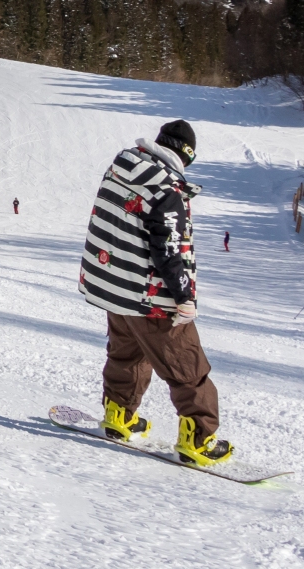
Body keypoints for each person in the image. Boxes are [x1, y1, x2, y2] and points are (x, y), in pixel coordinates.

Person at [77, 118, 235, 468]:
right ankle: (199, 439)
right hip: (149, 296)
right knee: (186, 365)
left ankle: (119, 415)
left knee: (127, 353)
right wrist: (184, 297)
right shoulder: (168, 189)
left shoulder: (125, 164)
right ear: (186, 157)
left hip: (114, 285)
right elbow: (170, 248)